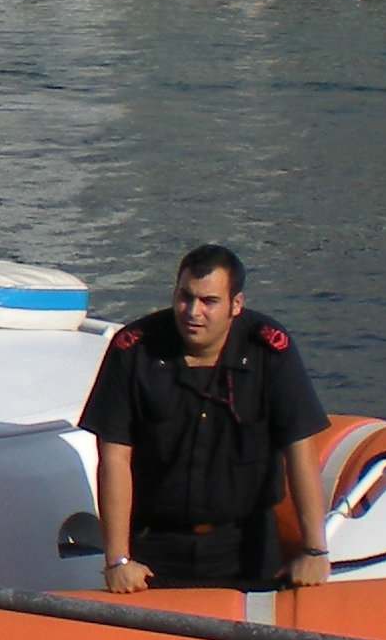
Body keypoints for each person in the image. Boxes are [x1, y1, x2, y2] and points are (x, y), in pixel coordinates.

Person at [81, 244, 333, 591]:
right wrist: (117, 559)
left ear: (236, 305)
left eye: (209, 302)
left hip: (247, 544)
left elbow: (300, 449)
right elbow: (114, 457)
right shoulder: (135, 351)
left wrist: (315, 549)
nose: (192, 312)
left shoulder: (269, 350)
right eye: (185, 297)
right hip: (155, 544)